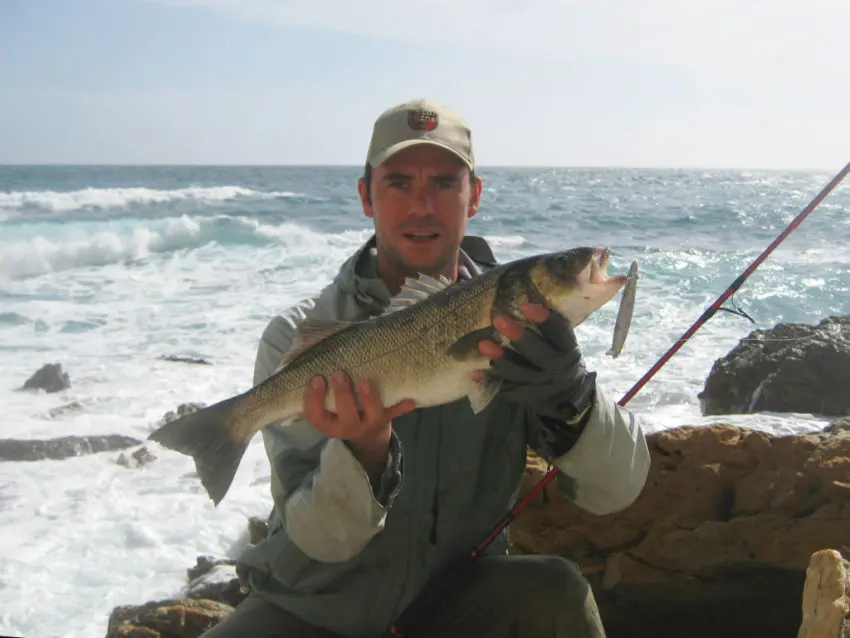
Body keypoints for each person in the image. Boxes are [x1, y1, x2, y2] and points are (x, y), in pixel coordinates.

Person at [203, 98, 651, 638]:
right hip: (311, 608)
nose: (422, 205)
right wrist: (361, 455)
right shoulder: (297, 336)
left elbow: (619, 489)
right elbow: (322, 541)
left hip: (456, 601)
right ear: (366, 196)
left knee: (555, 594)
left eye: (443, 183)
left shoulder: (532, 343)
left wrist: (569, 396)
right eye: (398, 183)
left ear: (474, 196)